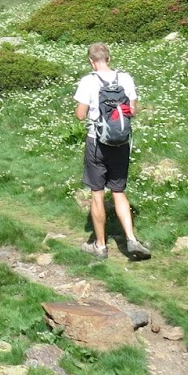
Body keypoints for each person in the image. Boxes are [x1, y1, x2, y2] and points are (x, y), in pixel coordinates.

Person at [73, 42, 151, 260]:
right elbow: (132, 110)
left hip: (96, 143)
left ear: (91, 61)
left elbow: (80, 115)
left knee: (97, 194)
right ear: (109, 58)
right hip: (121, 143)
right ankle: (131, 239)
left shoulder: (88, 81)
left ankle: (100, 246)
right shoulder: (125, 79)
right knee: (118, 191)